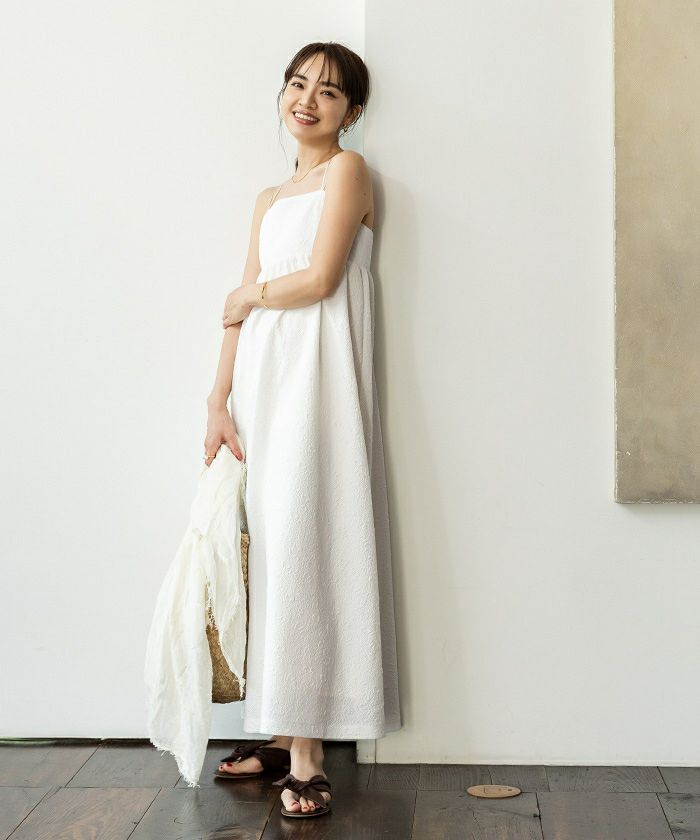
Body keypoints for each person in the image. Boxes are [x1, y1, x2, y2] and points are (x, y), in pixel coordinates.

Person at [203, 41, 401, 819]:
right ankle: (283, 731)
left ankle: (310, 753)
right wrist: (218, 399)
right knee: (272, 549)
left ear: (353, 111)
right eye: (297, 83)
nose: (307, 100)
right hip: (263, 384)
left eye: (328, 91)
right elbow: (237, 308)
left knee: (309, 544)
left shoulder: (348, 172)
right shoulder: (269, 196)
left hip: (318, 386)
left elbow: (318, 280)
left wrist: (250, 296)